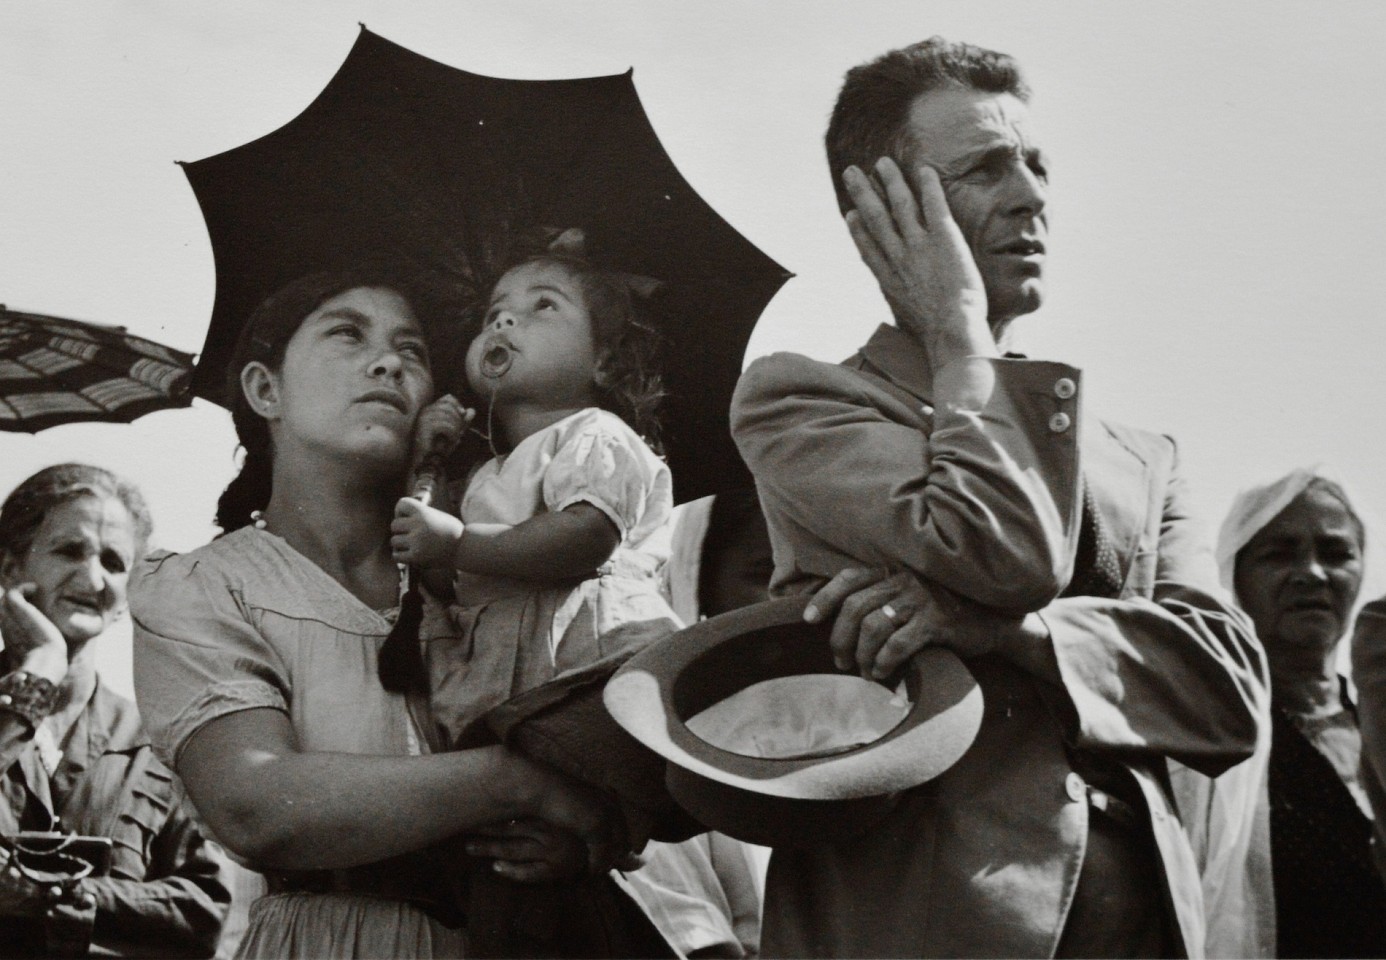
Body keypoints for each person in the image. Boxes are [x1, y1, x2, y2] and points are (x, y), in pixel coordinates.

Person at [730, 37, 1266, 958]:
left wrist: (1004, 636)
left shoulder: (1143, 456)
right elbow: (1008, 555)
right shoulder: (801, 400)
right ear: (881, 207)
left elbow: (1229, 696)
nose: (1032, 195)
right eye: (985, 168)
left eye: (1038, 164)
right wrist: (957, 334)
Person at [129, 266, 638, 958]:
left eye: (414, 351)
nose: (387, 362)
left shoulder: (490, 573)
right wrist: (513, 782)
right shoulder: (204, 587)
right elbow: (254, 804)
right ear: (264, 389)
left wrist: (571, 840)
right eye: (347, 335)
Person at [389, 229, 681, 743]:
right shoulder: (483, 474)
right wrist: (425, 461)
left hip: (586, 665)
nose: (503, 320)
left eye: (544, 305)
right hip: (503, 684)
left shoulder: (596, 433)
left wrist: (458, 542)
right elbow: (440, 578)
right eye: (492, 314)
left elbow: (585, 536)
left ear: (604, 361)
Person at [0, 463, 231, 957]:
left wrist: (61, 895)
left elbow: (203, 911)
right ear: (9, 569)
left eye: (113, 561)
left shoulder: (157, 742)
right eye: (68, 551)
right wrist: (38, 675)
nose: (93, 577)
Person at [1211, 468, 1386, 958]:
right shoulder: (1212, 739)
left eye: (1335, 553)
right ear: (1236, 578)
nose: (1311, 573)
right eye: (1278, 554)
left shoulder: (1377, 722)